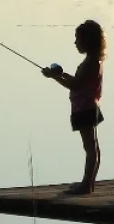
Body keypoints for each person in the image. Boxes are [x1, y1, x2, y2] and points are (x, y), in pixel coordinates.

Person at [42, 20, 106, 195]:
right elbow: (79, 81)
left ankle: (86, 185)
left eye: (78, 39)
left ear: (87, 41)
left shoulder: (90, 63)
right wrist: (60, 74)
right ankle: (89, 184)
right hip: (89, 107)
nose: (75, 42)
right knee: (93, 147)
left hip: (84, 109)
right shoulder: (93, 61)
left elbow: (75, 85)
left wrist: (53, 77)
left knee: (90, 148)